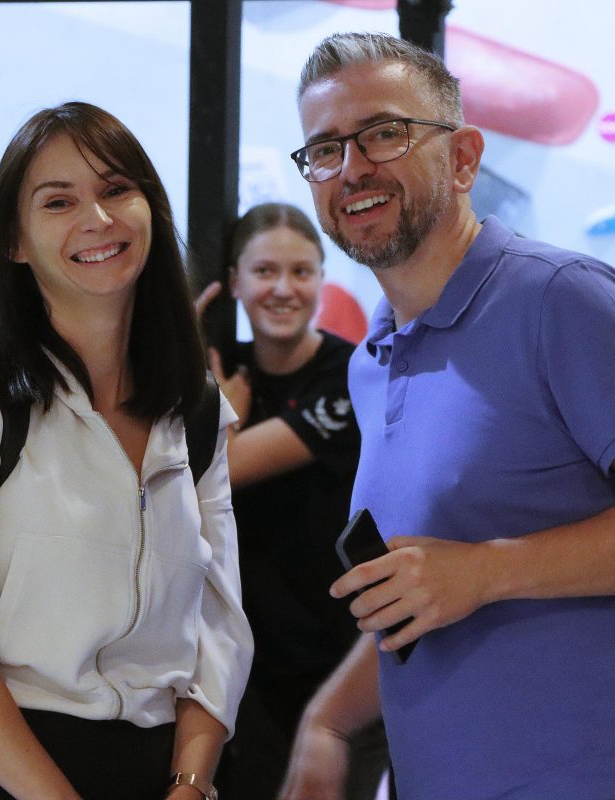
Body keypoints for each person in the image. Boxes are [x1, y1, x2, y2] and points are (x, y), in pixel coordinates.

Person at [279, 32, 615, 800]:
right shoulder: (372, 362)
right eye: (325, 150)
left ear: (464, 158)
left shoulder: (559, 297)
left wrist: (485, 571)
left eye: (384, 133)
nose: (352, 167)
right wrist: (329, 720)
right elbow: (432, 592)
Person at [0, 101, 253, 800]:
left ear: (151, 209)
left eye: (115, 189)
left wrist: (192, 783)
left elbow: (218, 625)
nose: (96, 219)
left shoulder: (192, 405)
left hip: (150, 770)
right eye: (58, 201)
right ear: (15, 240)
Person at [196, 203, 387, 799]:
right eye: (265, 272)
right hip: (245, 672)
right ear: (235, 282)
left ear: (322, 279)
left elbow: (220, 471)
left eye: (301, 272)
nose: (284, 289)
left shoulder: (350, 374)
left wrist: (221, 416)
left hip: (338, 667)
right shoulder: (224, 367)